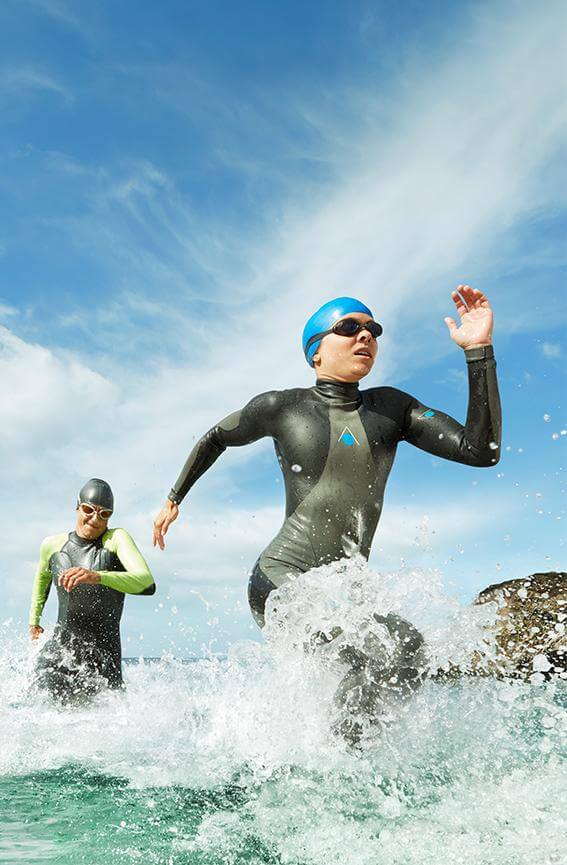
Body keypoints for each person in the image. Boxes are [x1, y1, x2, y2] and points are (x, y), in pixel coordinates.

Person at [153, 285, 501, 729]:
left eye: (372, 329)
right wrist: (172, 500)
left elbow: (481, 449)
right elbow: (216, 437)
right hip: (280, 581)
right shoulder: (281, 407)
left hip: (340, 593)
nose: (365, 336)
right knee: (357, 661)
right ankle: (330, 770)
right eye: (349, 327)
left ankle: (341, 757)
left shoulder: (393, 409)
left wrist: (479, 351)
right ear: (315, 351)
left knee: (408, 651)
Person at [29, 478, 155, 699]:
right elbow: (42, 579)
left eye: (104, 514)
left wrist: (96, 576)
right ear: (77, 506)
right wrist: (34, 620)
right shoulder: (52, 545)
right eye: (88, 510)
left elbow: (146, 582)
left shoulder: (116, 539)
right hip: (60, 654)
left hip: (104, 659)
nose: (95, 519)